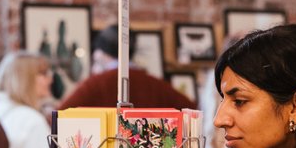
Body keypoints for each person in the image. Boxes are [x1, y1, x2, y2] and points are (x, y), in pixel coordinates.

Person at [59, 25, 195, 109]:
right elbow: (191, 109)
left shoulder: (95, 84)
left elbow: (61, 115)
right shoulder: (156, 84)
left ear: (102, 53)